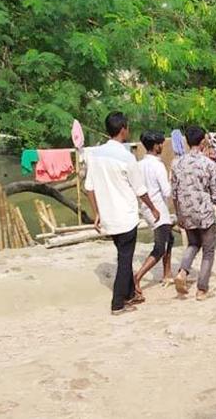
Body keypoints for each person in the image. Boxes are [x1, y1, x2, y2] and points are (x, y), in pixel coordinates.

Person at [85, 112, 161, 316]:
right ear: (123, 129)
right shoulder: (126, 157)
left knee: (123, 254)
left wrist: (96, 213)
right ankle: (118, 303)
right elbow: (140, 189)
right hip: (126, 217)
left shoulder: (94, 155)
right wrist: (153, 208)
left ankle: (129, 293)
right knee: (125, 260)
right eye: (127, 127)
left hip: (109, 218)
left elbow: (88, 188)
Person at [172, 126, 216, 301]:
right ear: (203, 141)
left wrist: (179, 214)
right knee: (208, 250)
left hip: (186, 212)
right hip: (204, 213)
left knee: (193, 244)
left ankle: (182, 271)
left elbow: (174, 193)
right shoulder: (208, 165)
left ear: (187, 142)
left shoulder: (177, 164)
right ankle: (202, 290)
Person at [133, 131, 174, 296]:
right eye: (161, 143)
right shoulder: (158, 166)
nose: (162, 146)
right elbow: (166, 191)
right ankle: (137, 277)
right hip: (158, 210)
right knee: (159, 248)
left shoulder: (139, 165)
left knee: (169, 238)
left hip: (145, 208)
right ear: (156, 146)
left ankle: (167, 273)